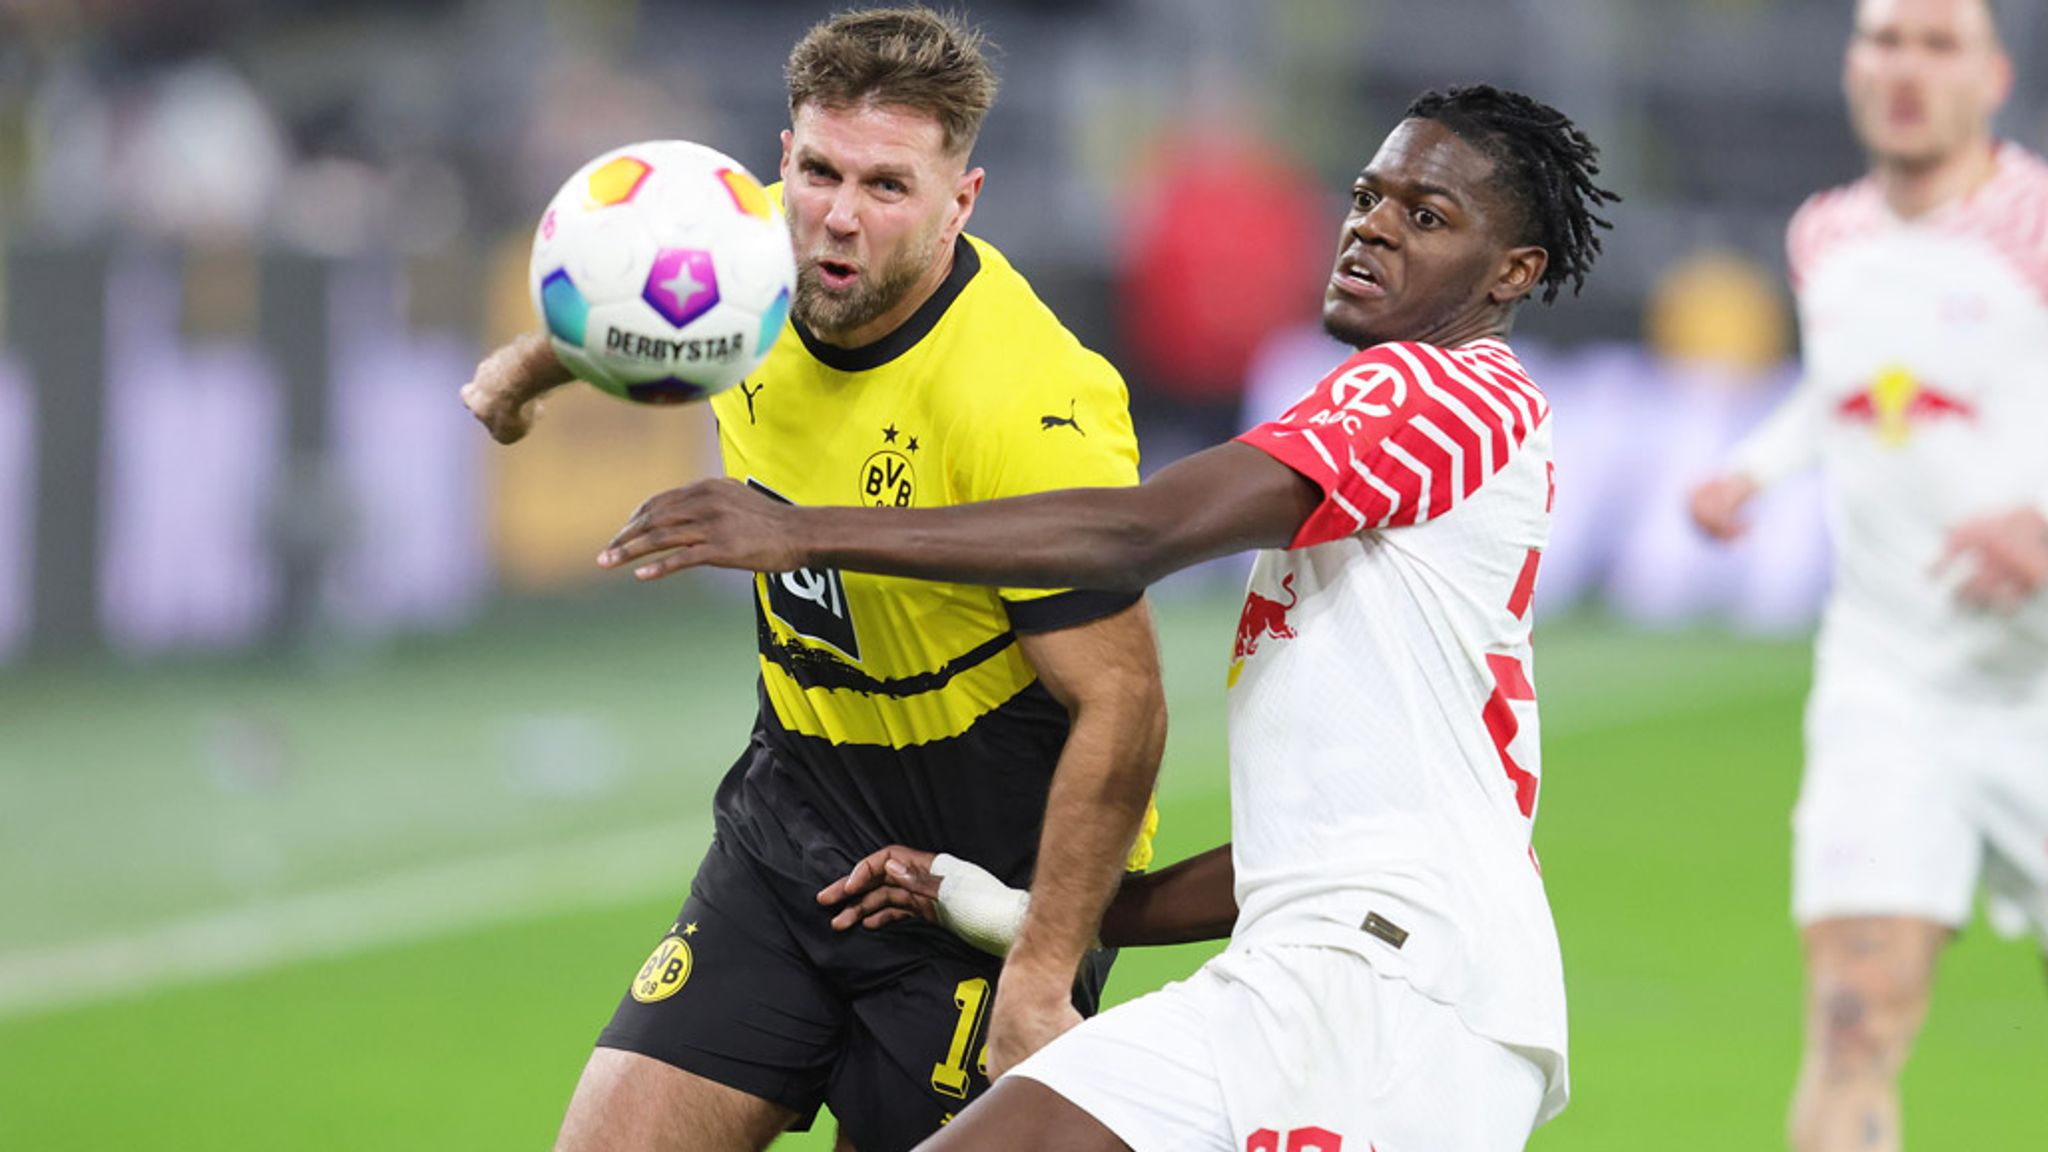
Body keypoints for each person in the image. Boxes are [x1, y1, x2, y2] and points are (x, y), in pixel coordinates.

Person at [598, 84, 1620, 1152]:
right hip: (1320, 963)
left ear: (1513, 273)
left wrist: (803, 531)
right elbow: (1300, 863)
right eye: (1368, 197)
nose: (1373, 226)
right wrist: (1010, 905)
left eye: (1427, 215)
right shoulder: (1416, 432)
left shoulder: (1445, 393)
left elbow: (1136, 533)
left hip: (1396, 998)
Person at [461, 9, 1167, 1151]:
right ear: (782, 160)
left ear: (960, 201)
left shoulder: (1027, 402)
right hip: (794, 821)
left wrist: (1040, 974)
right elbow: (626, 294)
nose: (840, 215)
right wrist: (521, 376)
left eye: (887, 187)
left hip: (982, 880)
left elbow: (1124, 701)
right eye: (821, 172)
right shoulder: (748, 263)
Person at [1688, 2, 2048, 1149]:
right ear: (1850, 63)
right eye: (1884, 39)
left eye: (1936, 44)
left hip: (2036, 683)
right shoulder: (1824, 235)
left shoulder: (2033, 224)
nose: (1905, 68)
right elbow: (1847, 381)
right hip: (1888, 683)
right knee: (1852, 1020)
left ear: (1990, 75)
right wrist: (1750, 469)